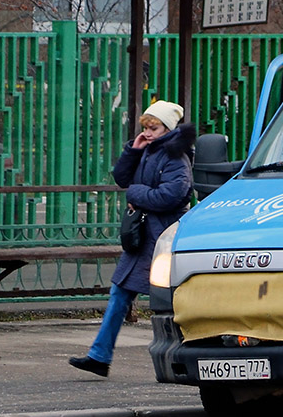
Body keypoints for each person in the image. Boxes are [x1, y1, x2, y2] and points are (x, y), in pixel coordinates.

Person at [69, 100, 195, 377]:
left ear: (168, 128)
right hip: (143, 237)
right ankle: (99, 356)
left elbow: (170, 196)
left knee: (174, 299)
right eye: (145, 127)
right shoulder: (149, 150)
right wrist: (133, 149)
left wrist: (136, 194)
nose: (148, 132)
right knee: (120, 292)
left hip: (162, 236)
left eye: (154, 127)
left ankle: (194, 354)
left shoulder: (176, 158)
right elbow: (121, 177)